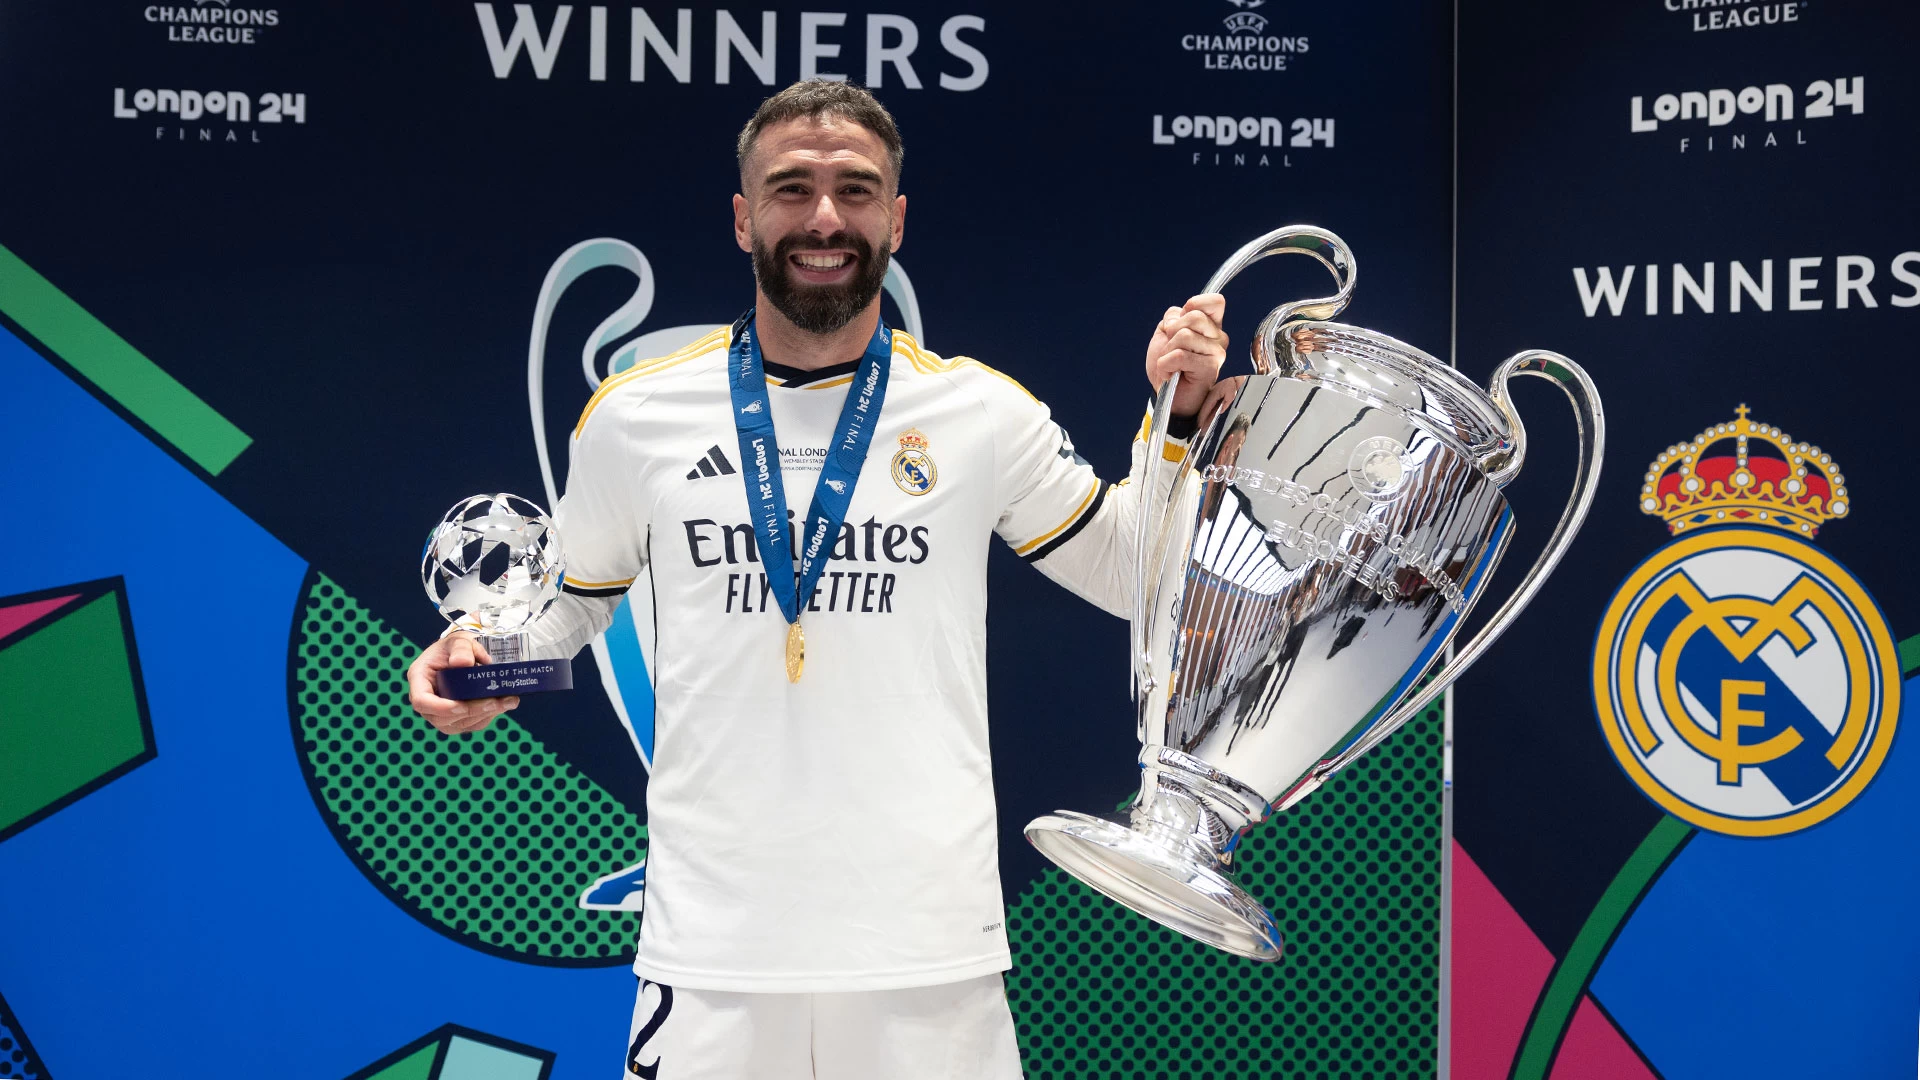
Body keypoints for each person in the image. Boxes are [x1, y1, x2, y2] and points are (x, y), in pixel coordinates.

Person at [406, 80, 1227, 1080]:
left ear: (897, 217)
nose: (825, 216)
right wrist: (491, 673)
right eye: (792, 189)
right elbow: (576, 606)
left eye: (856, 189)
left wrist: (1176, 423)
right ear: (745, 217)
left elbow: (1128, 570)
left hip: (926, 955)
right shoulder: (636, 416)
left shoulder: (976, 412)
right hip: (712, 955)